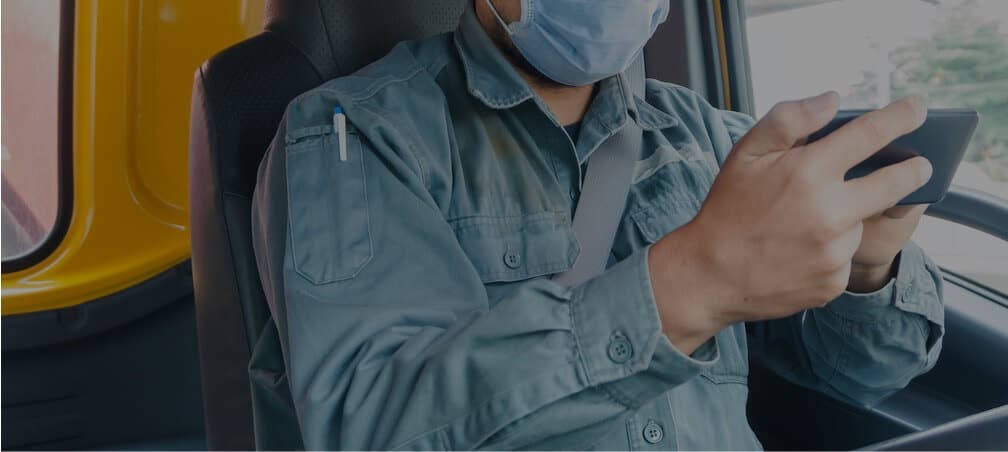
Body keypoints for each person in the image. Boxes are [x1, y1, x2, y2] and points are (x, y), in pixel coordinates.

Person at [251, 0, 945, 449]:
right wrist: (687, 286)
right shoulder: (354, 132)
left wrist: (867, 268)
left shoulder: (710, 137)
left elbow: (860, 374)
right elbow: (370, 430)